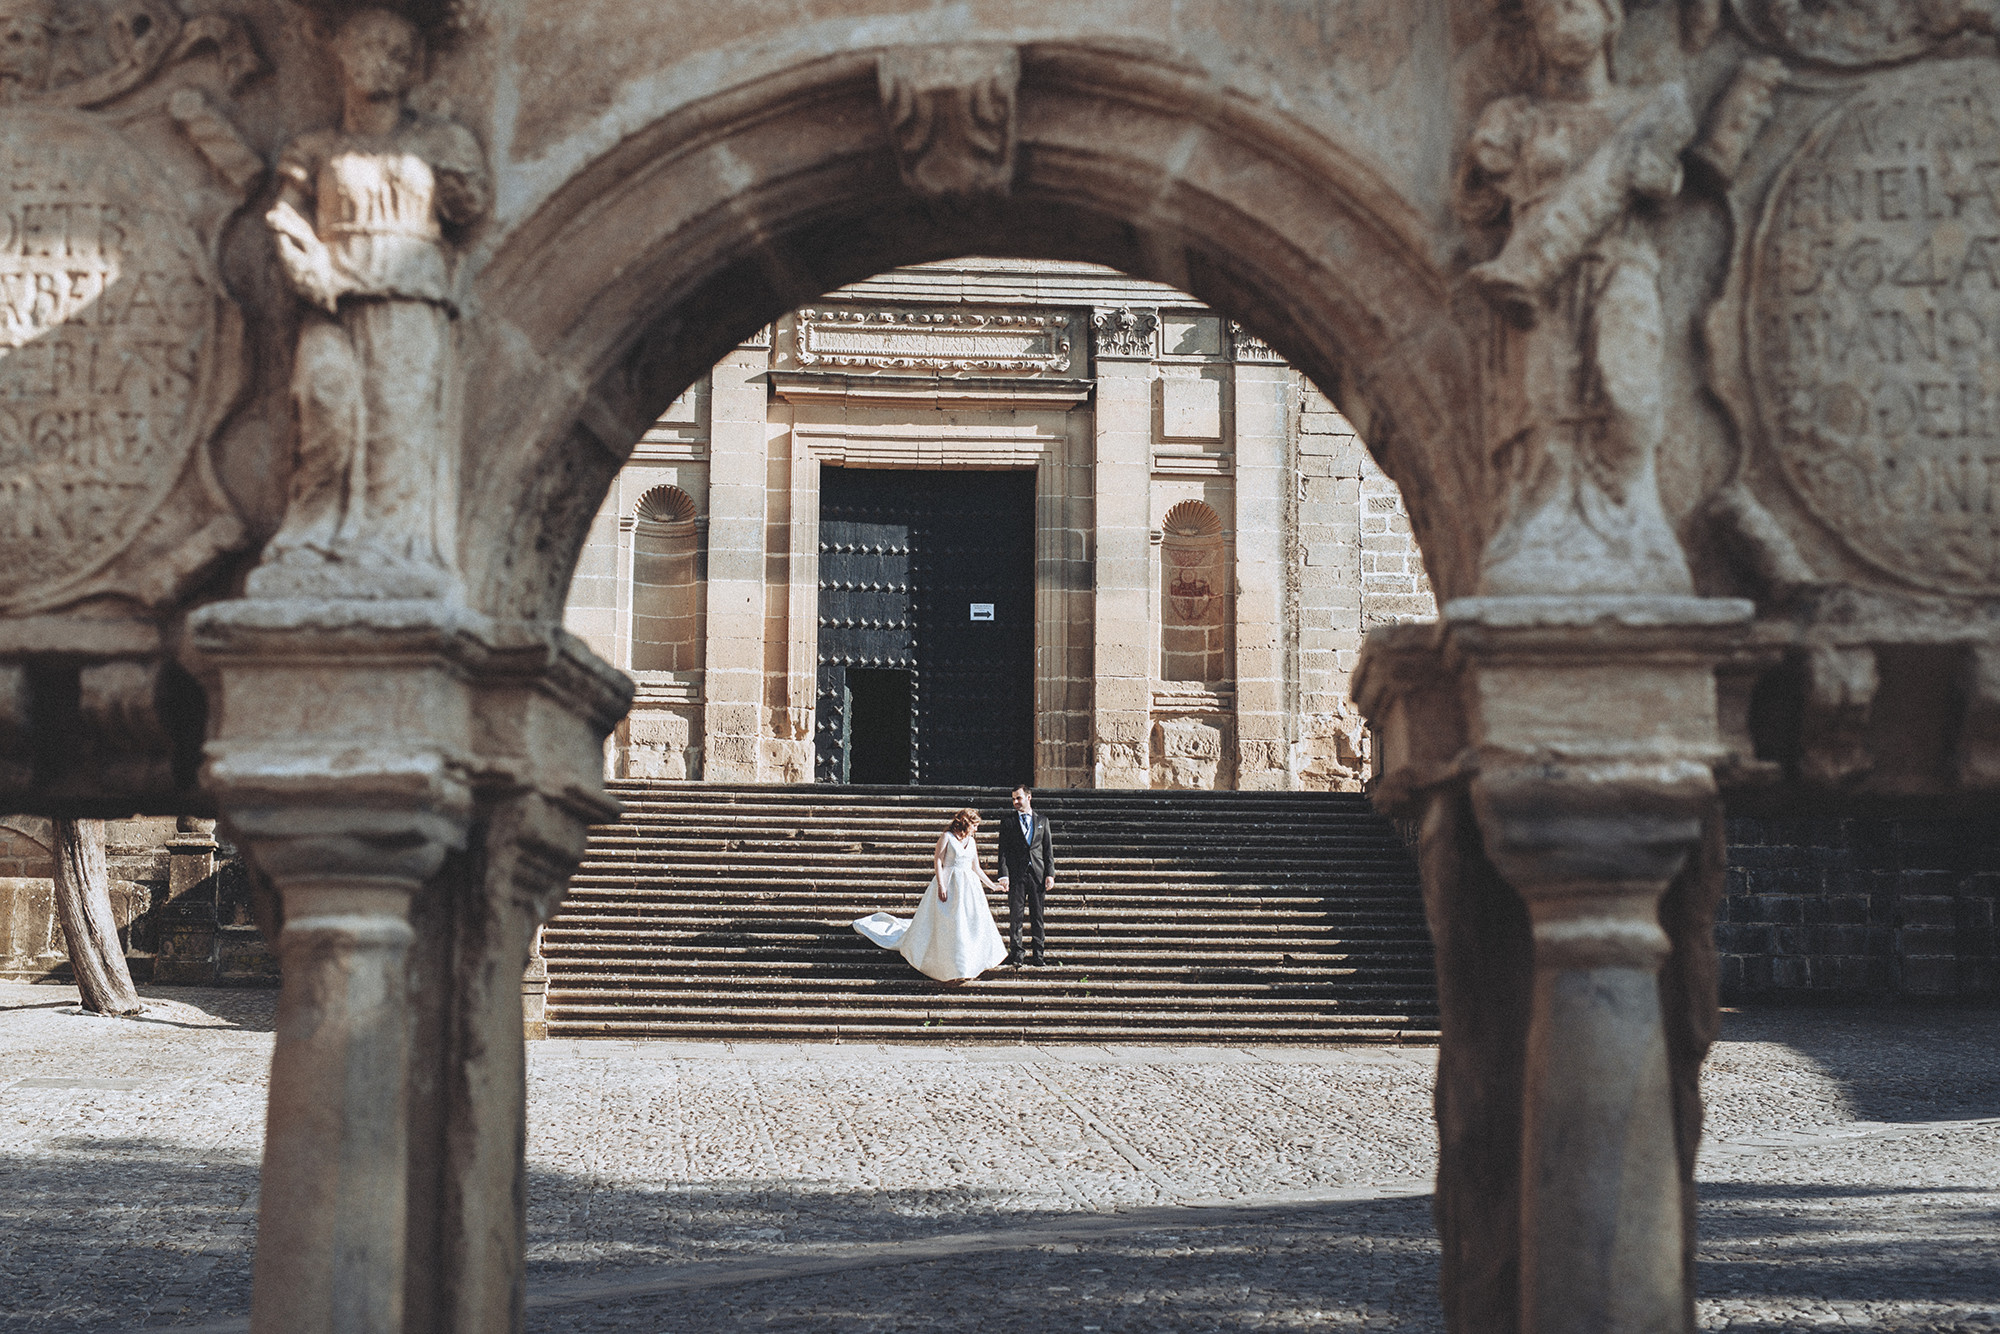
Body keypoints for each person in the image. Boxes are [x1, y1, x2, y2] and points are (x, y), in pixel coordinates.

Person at [853, 808, 1007, 982]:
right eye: (974, 825)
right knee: (949, 923)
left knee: (968, 924)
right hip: (950, 881)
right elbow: (939, 861)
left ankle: (966, 965)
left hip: (969, 887)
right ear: (966, 823)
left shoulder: (971, 841)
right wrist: (942, 885)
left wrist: (992, 886)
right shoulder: (947, 837)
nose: (976, 829)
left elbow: (976, 868)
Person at [996, 784, 1057, 966]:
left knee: (1038, 917)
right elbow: (1003, 852)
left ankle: (1039, 955)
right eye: (1013, 798)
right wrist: (1003, 875)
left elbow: (1048, 850)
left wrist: (1050, 874)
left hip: (1037, 875)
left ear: (1028, 798)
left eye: (1018, 798)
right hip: (1016, 875)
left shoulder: (1042, 821)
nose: (1015, 802)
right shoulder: (1008, 822)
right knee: (1016, 916)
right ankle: (1017, 954)